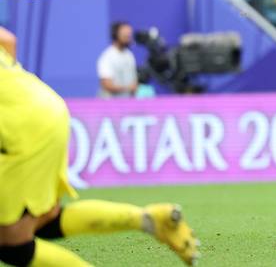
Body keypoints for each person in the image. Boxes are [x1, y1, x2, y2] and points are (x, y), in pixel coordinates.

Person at [0, 26, 199, 267]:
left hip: (20, 126)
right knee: (45, 218)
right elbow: (8, 40)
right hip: (43, 106)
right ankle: (149, 220)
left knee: (11, 244)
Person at [97, 21, 138, 98]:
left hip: (127, 104)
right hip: (110, 105)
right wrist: (128, 88)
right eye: (125, 34)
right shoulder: (107, 57)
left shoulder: (129, 55)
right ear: (116, 35)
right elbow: (106, 84)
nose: (128, 37)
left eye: (129, 35)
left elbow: (134, 82)